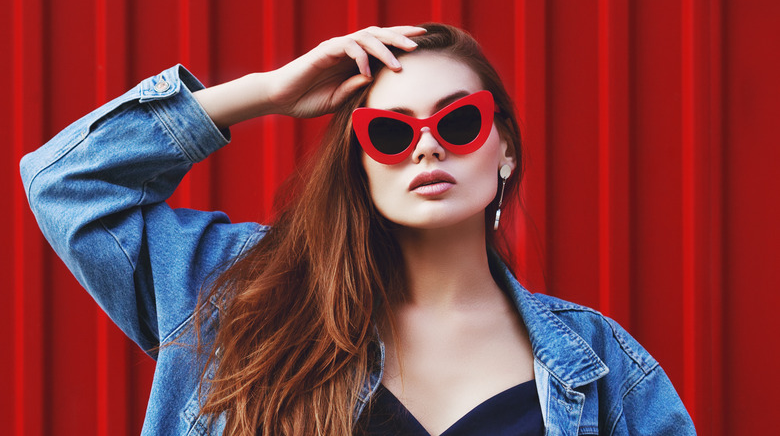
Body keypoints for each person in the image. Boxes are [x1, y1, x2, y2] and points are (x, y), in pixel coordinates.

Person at [20, 23, 695, 435]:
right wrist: (269, 92)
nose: (427, 148)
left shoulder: (606, 371)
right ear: (361, 164)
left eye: (459, 122)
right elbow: (69, 185)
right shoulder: (241, 296)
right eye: (392, 132)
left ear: (505, 148)